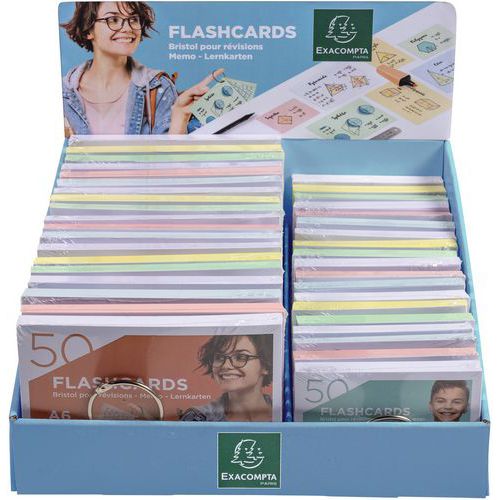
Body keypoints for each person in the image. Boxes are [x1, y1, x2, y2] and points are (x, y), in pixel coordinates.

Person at [60, 1, 223, 135]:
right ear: (88, 30)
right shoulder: (62, 93)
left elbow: (170, 159)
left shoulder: (159, 87)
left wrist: (180, 116)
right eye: (113, 20)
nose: (127, 28)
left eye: (133, 19)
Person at [181, 335, 273, 422]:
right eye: (219, 357)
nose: (225, 366)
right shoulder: (197, 418)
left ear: (265, 365)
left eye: (240, 357)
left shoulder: (281, 411)